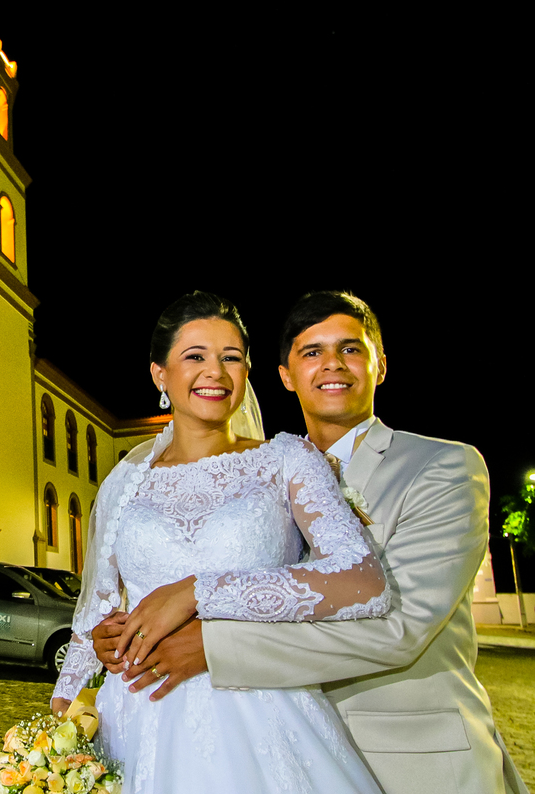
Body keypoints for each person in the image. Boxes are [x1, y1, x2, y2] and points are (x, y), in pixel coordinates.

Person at [93, 292, 527, 794]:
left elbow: (401, 628)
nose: (332, 365)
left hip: (412, 760)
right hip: (265, 743)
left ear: (380, 365)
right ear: (284, 375)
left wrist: (214, 644)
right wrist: (130, 634)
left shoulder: (444, 468)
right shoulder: (264, 474)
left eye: (351, 349)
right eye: (312, 352)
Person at [51, 291, 391, 793]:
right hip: (138, 714)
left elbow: (364, 582)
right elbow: (93, 616)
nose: (215, 371)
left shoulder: (286, 461)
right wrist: (58, 722)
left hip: (260, 714)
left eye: (230, 358)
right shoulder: (125, 482)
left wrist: (200, 590)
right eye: (195, 357)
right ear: (159, 375)